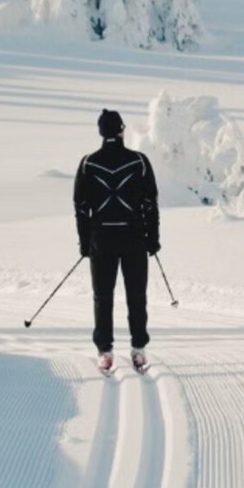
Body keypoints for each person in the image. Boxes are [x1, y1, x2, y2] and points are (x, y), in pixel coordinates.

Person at [73, 109, 161, 373]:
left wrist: (84, 241)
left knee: (103, 297)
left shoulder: (88, 163)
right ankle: (138, 350)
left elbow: (80, 206)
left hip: (101, 240)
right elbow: (150, 203)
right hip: (133, 238)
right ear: (122, 130)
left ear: (101, 133)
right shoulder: (139, 161)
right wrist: (153, 238)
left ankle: (105, 352)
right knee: (136, 296)